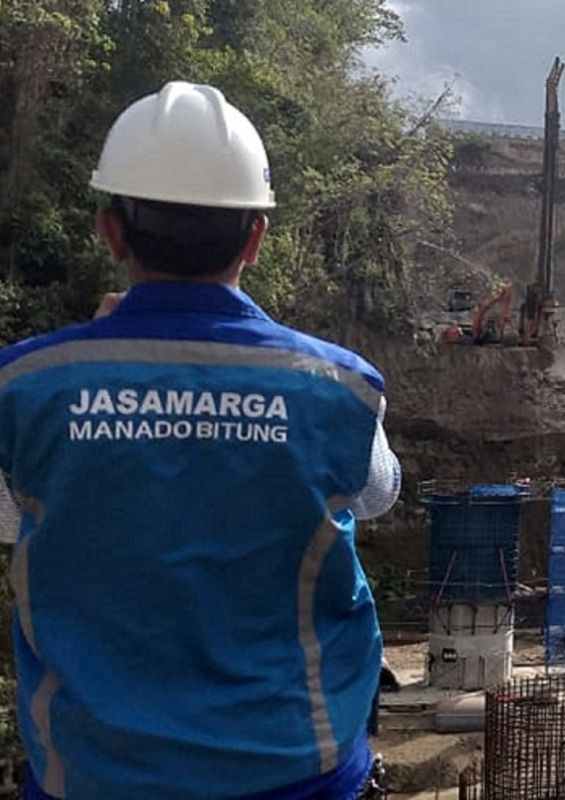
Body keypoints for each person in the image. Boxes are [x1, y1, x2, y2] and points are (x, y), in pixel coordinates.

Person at [0, 82, 401, 799]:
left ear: (108, 232)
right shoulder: (334, 389)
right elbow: (377, 494)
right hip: (296, 774)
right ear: (255, 237)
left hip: (93, 777)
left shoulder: (26, 387)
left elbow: (14, 518)